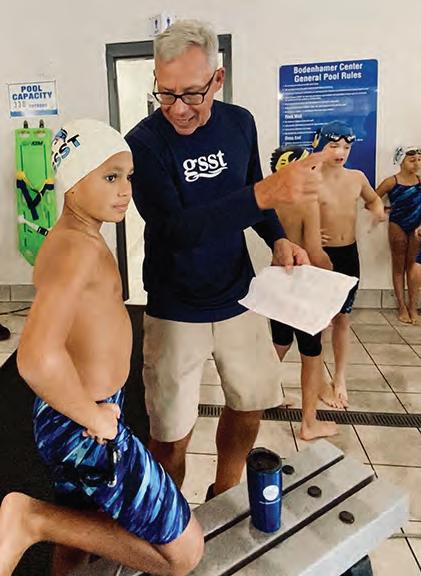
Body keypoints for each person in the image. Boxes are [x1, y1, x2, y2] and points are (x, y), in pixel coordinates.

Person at [125, 19, 326, 497]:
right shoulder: (144, 143)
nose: (178, 108)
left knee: (249, 404)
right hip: (175, 307)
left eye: (192, 94)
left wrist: (277, 238)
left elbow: (250, 188)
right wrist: (263, 194)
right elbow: (176, 231)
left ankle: (225, 493)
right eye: (166, 93)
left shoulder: (239, 123)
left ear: (217, 79)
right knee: (169, 434)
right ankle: (170, 519)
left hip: (239, 295)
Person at [0, 119, 203, 576]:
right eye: (110, 176)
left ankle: (43, 524)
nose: (125, 189)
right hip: (82, 424)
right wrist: (91, 417)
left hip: (82, 410)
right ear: (72, 183)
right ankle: (30, 519)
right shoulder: (76, 250)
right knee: (183, 554)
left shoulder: (78, 239)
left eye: (128, 176)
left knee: (81, 533)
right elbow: (35, 357)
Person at [314, 121, 386, 408]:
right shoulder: (309, 177)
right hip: (319, 257)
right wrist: (305, 237)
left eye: (346, 147)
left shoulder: (357, 177)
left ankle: (340, 377)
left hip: (348, 255)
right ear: (320, 145)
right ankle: (319, 378)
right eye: (334, 146)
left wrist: (377, 211)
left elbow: (373, 199)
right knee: (317, 322)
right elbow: (284, 215)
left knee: (342, 319)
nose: (340, 152)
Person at [269, 146, 337, 439]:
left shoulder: (272, 199)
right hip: (302, 285)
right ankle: (309, 423)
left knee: (279, 343)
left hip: (278, 281)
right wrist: (332, 274)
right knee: (311, 353)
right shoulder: (308, 201)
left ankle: (263, 397)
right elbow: (314, 253)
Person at [376, 146, 421, 324]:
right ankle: (402, 306)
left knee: (413, 266)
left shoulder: (420, 181)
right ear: (401, 161)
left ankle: (413, 306)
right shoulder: (391, 182)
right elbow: (371, 199)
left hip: (416, 226)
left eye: (419, 160)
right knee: (398, 266)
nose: (416, 164)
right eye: (412, 160)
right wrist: (383, 209)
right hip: (397, 225)